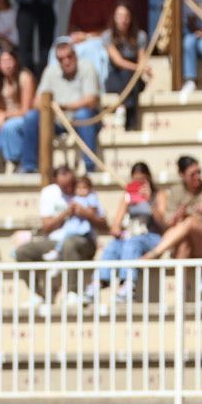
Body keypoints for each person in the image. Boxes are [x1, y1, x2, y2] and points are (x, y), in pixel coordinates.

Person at [13, 166, 107, 305]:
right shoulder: (49, 193)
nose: (69, 189)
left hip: (84, 240)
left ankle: (72, 292)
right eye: (64, 186)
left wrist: (86, 214)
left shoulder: (86, 191)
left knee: (70, 243)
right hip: (55, 241)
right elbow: (47, 227)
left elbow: (104, 224)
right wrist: (65, 214)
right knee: (22, 252)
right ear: (56, 182)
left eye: (71, 184)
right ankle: (38, 294)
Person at [23, 39, 102, 172]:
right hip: (57, 121)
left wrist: (63, 107)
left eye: (69, 56)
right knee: (31, 117)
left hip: (81, 121)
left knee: (83, 114)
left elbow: (91, 100)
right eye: (61, 59)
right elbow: (36, 102)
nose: (66, 61)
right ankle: (29, 166)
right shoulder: (50, 71)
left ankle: (89, 167)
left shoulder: (87, 67)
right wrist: (53, 107)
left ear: (75, 55)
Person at [92, 161, 162, 302]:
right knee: (113, 245)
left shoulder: (158, 195)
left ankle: (128, 283)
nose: (139, 183)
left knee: (132, 243)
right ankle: (100, 281)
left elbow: (162, 223)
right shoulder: (127, 196)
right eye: (135, 180)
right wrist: (117, 230)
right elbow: (115, 225)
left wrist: (149, 202)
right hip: (132, 236)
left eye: (142, 179)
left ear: (149, 178)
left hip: (152, 237)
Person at [143, 156, 202, 260]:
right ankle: (179, 276)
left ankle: (154, 253)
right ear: (181, 175)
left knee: (190, 222)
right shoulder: (175, 191)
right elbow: (168, 222)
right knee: (184, 244)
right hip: (182, 239)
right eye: (192, 174)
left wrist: (188, 213)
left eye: (199, 172)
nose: (197, 176)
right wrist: (177, 216)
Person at [60, 0, 117, 84]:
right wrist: (77, 37)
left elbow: (109, 30)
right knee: (58, 47)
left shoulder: (110, 0)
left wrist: (87, 37)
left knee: (92, 49)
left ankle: (95, 85)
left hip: (99, 42)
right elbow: (71, 28)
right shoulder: (78, 2)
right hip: (79, 41)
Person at [103, 3, 150, 131]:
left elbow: (142, 60)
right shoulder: (108, 36)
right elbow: (118, 62)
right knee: (126, 76)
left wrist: (142, 68)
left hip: (133, 80)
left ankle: (123, 108)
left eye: (126, 16)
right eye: (120, 16)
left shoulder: (140, 36)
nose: (123, 20)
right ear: (114, 18)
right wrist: (140, 68)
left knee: (131, 79)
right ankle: (131, 123)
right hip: (115, 78)